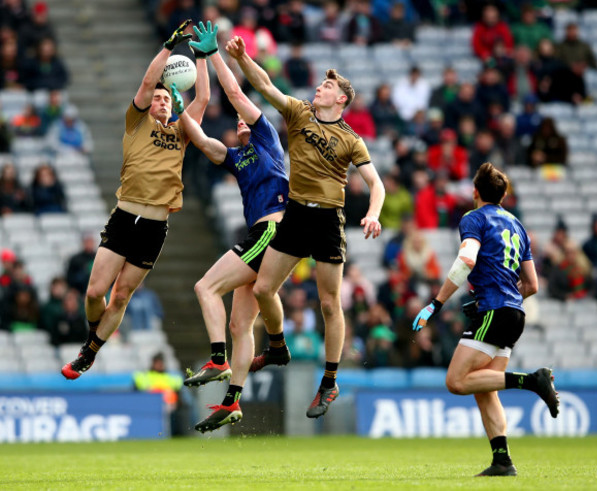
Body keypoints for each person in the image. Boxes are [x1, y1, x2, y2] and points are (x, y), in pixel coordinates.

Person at [226, 34, 385, 418]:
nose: (319, 87)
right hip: (296, 214)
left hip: (329, 220)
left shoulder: (352, 140)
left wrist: (374, 212)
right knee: (264, 288)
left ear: (341, 99)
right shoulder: (298, 113)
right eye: (320, 83)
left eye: (327, 86)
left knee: (330, 303)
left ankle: (329, 383)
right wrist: (244, 59)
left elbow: (375, 184)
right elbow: (265, 85)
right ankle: (278, 347)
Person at [61, 20, 209, 380]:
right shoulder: (136, 123)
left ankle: (90, 351)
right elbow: (146, 83)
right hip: (125, 217)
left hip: (156, 224)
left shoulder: (182, 131)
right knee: (96, 292)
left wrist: (202, 56)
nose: (159, 100)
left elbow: (202, 98)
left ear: (172, 104)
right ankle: (95, 333)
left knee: (122, 295)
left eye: (165, 97)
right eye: (156, 97)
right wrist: (168, 48)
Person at [169, 22, 289, 433]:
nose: (240, 122)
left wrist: (211, 53)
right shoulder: (238, 160)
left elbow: (237, 94)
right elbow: (201, 141)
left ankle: (218, 358)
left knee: (205, 287)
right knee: (240, 325)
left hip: (270, 233)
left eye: (243, 121)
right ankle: (233, 402)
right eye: (236, 123)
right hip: (263, 236)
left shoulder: (268, 138)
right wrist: (178, 107)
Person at [412, 162, 559, 477]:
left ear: (475, 192)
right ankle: (502, 461)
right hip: (515, 311)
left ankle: (532, 381)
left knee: (455, 382)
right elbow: (532, 285)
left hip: (493, 309)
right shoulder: (518, 226)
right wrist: (500, 301)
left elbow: (467, 259)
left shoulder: (473, 218)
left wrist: (435, 304)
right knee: (484, 388)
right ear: (504, 196)